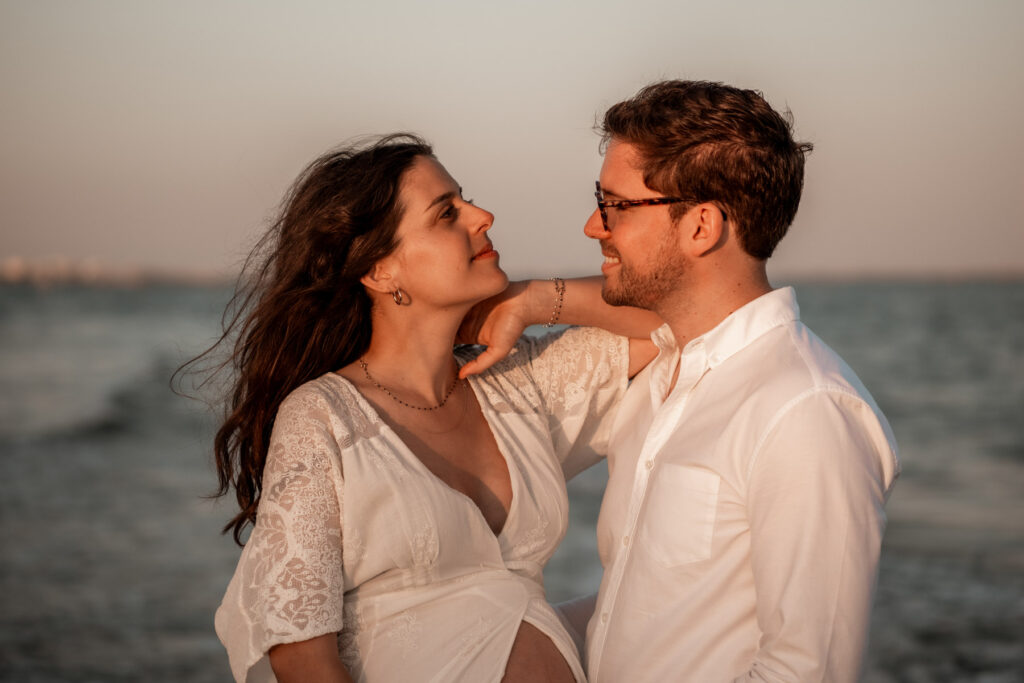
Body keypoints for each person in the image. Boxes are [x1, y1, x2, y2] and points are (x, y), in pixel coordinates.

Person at [199, 133, 660, 682]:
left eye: (466, 200)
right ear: (380, 272)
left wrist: (533, 299)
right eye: (447, 213)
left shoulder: (514, 383)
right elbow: (302, 656)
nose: (483, 215)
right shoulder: (322, 418)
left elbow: (679, 321)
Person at [571, 80, 900, 682]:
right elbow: (643, 613)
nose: (595, 225)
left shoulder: (803, 410)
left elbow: (808, 670)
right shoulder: (659, 378)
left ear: (701, 226)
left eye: (614, 203)